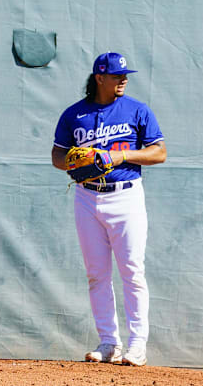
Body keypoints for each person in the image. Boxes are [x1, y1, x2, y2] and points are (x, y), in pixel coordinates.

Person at [51, 52, 167, 367]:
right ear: (99, 78)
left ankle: (137, 344)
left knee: (132, 270)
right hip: (87, 198)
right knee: (96, 274)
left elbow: (159, 153)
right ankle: (108, 342)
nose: (124, 79)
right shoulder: (75, 115)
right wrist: (76, 161)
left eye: (125, 74)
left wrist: (120, 157)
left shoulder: (137, 110)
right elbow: (58, 157)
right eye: (117, 75)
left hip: (126, 196)